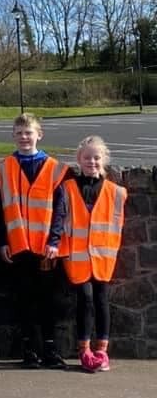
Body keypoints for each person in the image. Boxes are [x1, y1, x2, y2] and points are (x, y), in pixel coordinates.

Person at [0, 112, 68, 369]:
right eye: (19, 133)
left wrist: (55, 241)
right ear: (13, 136)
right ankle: (30, 350)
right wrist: (2, 241)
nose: (24, 138)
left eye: (28, 133)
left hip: (46, 247)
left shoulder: (55, 168)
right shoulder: (3, 168)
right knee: (23, 299)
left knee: (49, 300)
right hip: (17, 246)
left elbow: (61, 209)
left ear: (39, 134)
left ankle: (50, 349)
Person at [63, 136, 127, 373]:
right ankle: (84, 350)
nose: (92, 161)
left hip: (103, 256)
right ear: (79, 159)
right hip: (77, 256)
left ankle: (102, 350)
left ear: (104, 160)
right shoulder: (68, 188)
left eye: (97, 157)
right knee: (86, 300)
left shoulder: (116, 192)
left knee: (101, 301)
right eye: (87, 157)